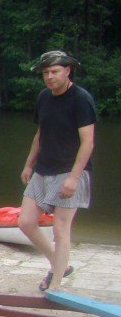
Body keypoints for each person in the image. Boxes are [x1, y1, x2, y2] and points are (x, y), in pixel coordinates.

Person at [18, 50, 96, 292]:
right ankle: (59, 264)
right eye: (46, 73)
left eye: (55, 71)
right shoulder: (44, 97)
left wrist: (74, 178)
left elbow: (88, 142)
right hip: (43, 169)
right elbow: (40, 134)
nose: (50, 77)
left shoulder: (81, 99)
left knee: (60, 229)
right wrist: (29, 164)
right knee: (26, 222)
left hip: (70, 171)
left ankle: (56, 284)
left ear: (67, 71)